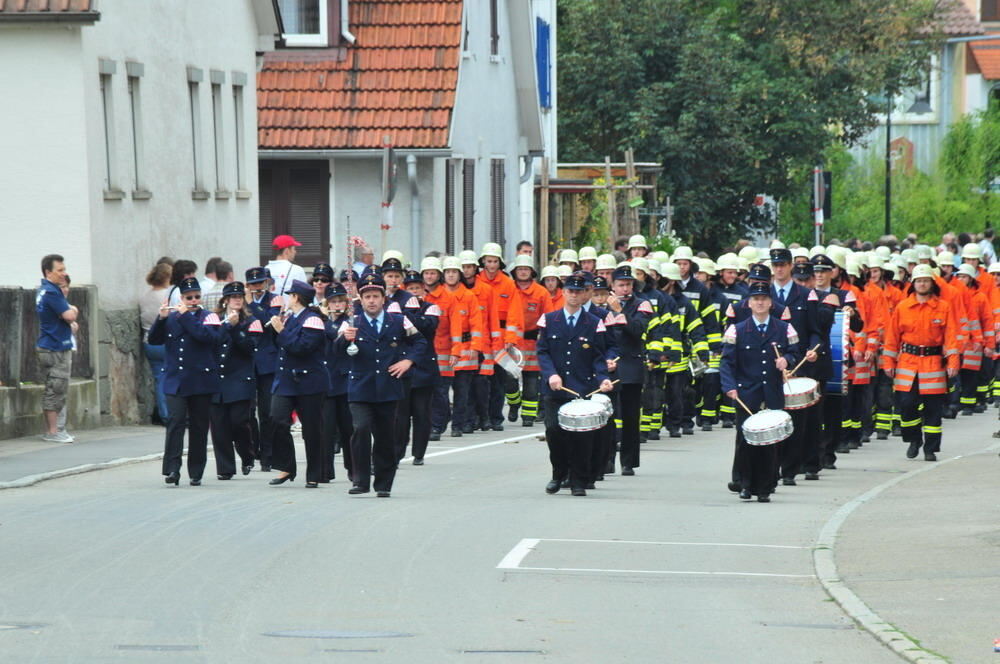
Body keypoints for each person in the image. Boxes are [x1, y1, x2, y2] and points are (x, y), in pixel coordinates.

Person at [337, 273, 427, 496]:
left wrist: (408, 361)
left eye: (375, 296)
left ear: (383, 298)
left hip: (388, 387)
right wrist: (343, 340)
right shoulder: (352, 323)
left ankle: (384, 484)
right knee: (360, 428)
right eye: (367, 296)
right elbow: (334, 353)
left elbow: (420, 341)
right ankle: (360, 479)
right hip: (360, 387)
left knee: (386, 436)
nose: (371, 301)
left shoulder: (397, 320)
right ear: (360, 298)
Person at [721, 281, 802, 502]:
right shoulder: (736, 330)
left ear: (771, 303)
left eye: (764, 299)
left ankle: (765, 486)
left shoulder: (784, 328)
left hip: (772, 393)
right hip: (747, 394)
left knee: (770, 442)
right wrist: (729, 387)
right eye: (755, 299)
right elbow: (726, 362)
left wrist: (786, 359)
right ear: (748, 303)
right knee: (746, 440)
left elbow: (795, 352)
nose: (760, 302)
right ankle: (746, 484)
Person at [537, 272, 614, 496]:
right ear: (563, 292)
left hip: (581, 388)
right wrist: (551, 374)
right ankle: (558, 474)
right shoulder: (549, 320)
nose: (574, 295)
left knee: (581, 438)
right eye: (570, 290)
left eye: (578, 292)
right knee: (554, 431)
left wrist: (604, 378)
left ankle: (578, 480)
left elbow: (598, 357)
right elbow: (542, 352)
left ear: (584, 295)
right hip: (556, 388)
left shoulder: (594, 323)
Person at [147, 277, 223, 485]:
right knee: (175, 422)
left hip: (201, 381)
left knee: (198, 427)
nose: (193, 300)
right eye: (189, 297)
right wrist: (161, 319)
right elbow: (154, 340)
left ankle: (196, 471)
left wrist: (185, 316)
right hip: (176, 380)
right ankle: (172, 469)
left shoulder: (210, 317)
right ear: (181, 298)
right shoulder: (172, 318)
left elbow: (206, 337)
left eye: (197, 297)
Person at [882, 264, 960, 461]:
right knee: (907, 406)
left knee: (933, 409)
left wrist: (953, 362)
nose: (922, 284)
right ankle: (914, 439)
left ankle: (930, 448)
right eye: (918, 281)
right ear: (913, 284)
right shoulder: (902, 307)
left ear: (932, 283)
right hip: (908, 363)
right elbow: (892, 338)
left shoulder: (943, 307)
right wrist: (888, 362)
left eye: (925, 280)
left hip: (933, 364)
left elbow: (951, 337)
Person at [268, 279, 328, 488]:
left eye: (290, 295)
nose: (287, 298)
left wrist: (281, 331)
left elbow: (302, 347)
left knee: (311, 429)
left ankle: (314, 472)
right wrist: (278, 329)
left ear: (296, 297)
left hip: (308, 381)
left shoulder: (313, 320)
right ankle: (286, 465)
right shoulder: (291, 317)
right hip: (286, 380)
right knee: (277, 419)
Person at [210, 282, 262, 480]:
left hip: (240, 379)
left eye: (240, 296)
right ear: (225, 301)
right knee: (219, 426)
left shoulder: (251, 321)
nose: (237, 299)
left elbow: (250, 347)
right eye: (233, 297)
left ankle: (247, 455)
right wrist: (225, 326)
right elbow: (211, 342)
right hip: (217, 380)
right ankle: (225, 468)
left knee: (239, 422)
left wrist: (234, 329)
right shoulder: (214, 319)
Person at [606, 265, 653, 475]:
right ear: (613, 286)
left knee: (630, 417)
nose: (625, 289)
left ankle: (629, 461)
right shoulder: (603, 303)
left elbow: (637, 330)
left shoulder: (642, 304)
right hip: (609, 366)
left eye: (628, 284)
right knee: (607, 416)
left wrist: (619, 311)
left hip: (631, 365)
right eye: (621, 285)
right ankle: (606, 461)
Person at [395, 270, 441, 464]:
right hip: (403, 366)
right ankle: (398, 451)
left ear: (424, 289)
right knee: (401, 414)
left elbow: (426, 326)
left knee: (422, 412)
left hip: (424, 365)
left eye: (417, 288)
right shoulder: (397, 308)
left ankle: (419, 453)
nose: (414, 292)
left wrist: (407, 314)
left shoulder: (431, 308)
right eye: (410, 289)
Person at [36, 254, 78, 443]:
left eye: (64, 269)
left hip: (50, 345)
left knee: (56, 387)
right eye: (60, 270)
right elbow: (69, 315)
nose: (64, 274)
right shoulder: (52, 292)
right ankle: (53, 431)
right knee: (56, 388)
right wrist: (74, 310)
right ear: (48, 272)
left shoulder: (44, 290)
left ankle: (57, 429)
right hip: (55, 347)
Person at [505, 255, 551, 426]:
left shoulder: (541, 293)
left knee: (531, 381)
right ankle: (514, 402)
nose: (523, 272)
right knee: (509, 379)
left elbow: (548, 317)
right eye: (520, 269)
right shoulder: (509, 289)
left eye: (526, 269)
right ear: (514, 271)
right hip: (512, 343)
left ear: (532, 271)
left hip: (533, 342)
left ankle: (528, 416)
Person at [245, 267, 282, 471]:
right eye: (253, 284)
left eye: (260, 283)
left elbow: (268, 322)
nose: (257, 287)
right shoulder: (241, 302)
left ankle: (268, 456)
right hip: (248, 361)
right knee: (249, 412)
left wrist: (252, 304)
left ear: (266, 283)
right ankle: (254, 450)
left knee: (267, 411)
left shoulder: (275, 300)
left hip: (268, 361)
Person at [321, 282, 354, 482]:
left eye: (341, 300)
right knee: (326, 428)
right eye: (333, 301)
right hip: (327, 380)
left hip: (346, 380)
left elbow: (339, 343)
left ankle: (354, 467)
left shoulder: (350, 321)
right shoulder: (323, 322)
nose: (337, 305)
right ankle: (325, 471)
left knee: (348, 428)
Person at [140, 260, 172, 425]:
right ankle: (168, 414)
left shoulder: (145, 296)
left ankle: (162, 412)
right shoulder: (168, 296)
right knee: (170, 378)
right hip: (165, 341)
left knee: (159, 377)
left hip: (148, 342)